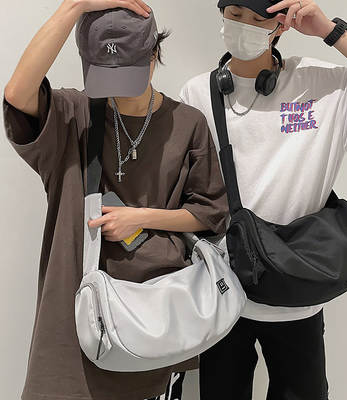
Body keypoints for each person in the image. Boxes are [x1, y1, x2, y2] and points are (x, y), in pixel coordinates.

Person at [2, 1, 229, 400]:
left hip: (155, 317)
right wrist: (75, 6)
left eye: (127, 73)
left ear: (154, 55)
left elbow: (210, 214)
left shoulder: (187, 123)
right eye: (105, 75)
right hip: (72, 315)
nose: (117, 89)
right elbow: (17, 94)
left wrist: (141, 217)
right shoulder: (74, 115)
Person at [178, 0, 347, 399]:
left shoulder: (320, 85)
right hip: (224, 293)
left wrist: (329, 30)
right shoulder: (197, 93)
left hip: (299, 291)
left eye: (257, 19)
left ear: (279, 27)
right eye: (234, 15)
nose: (242, 25)